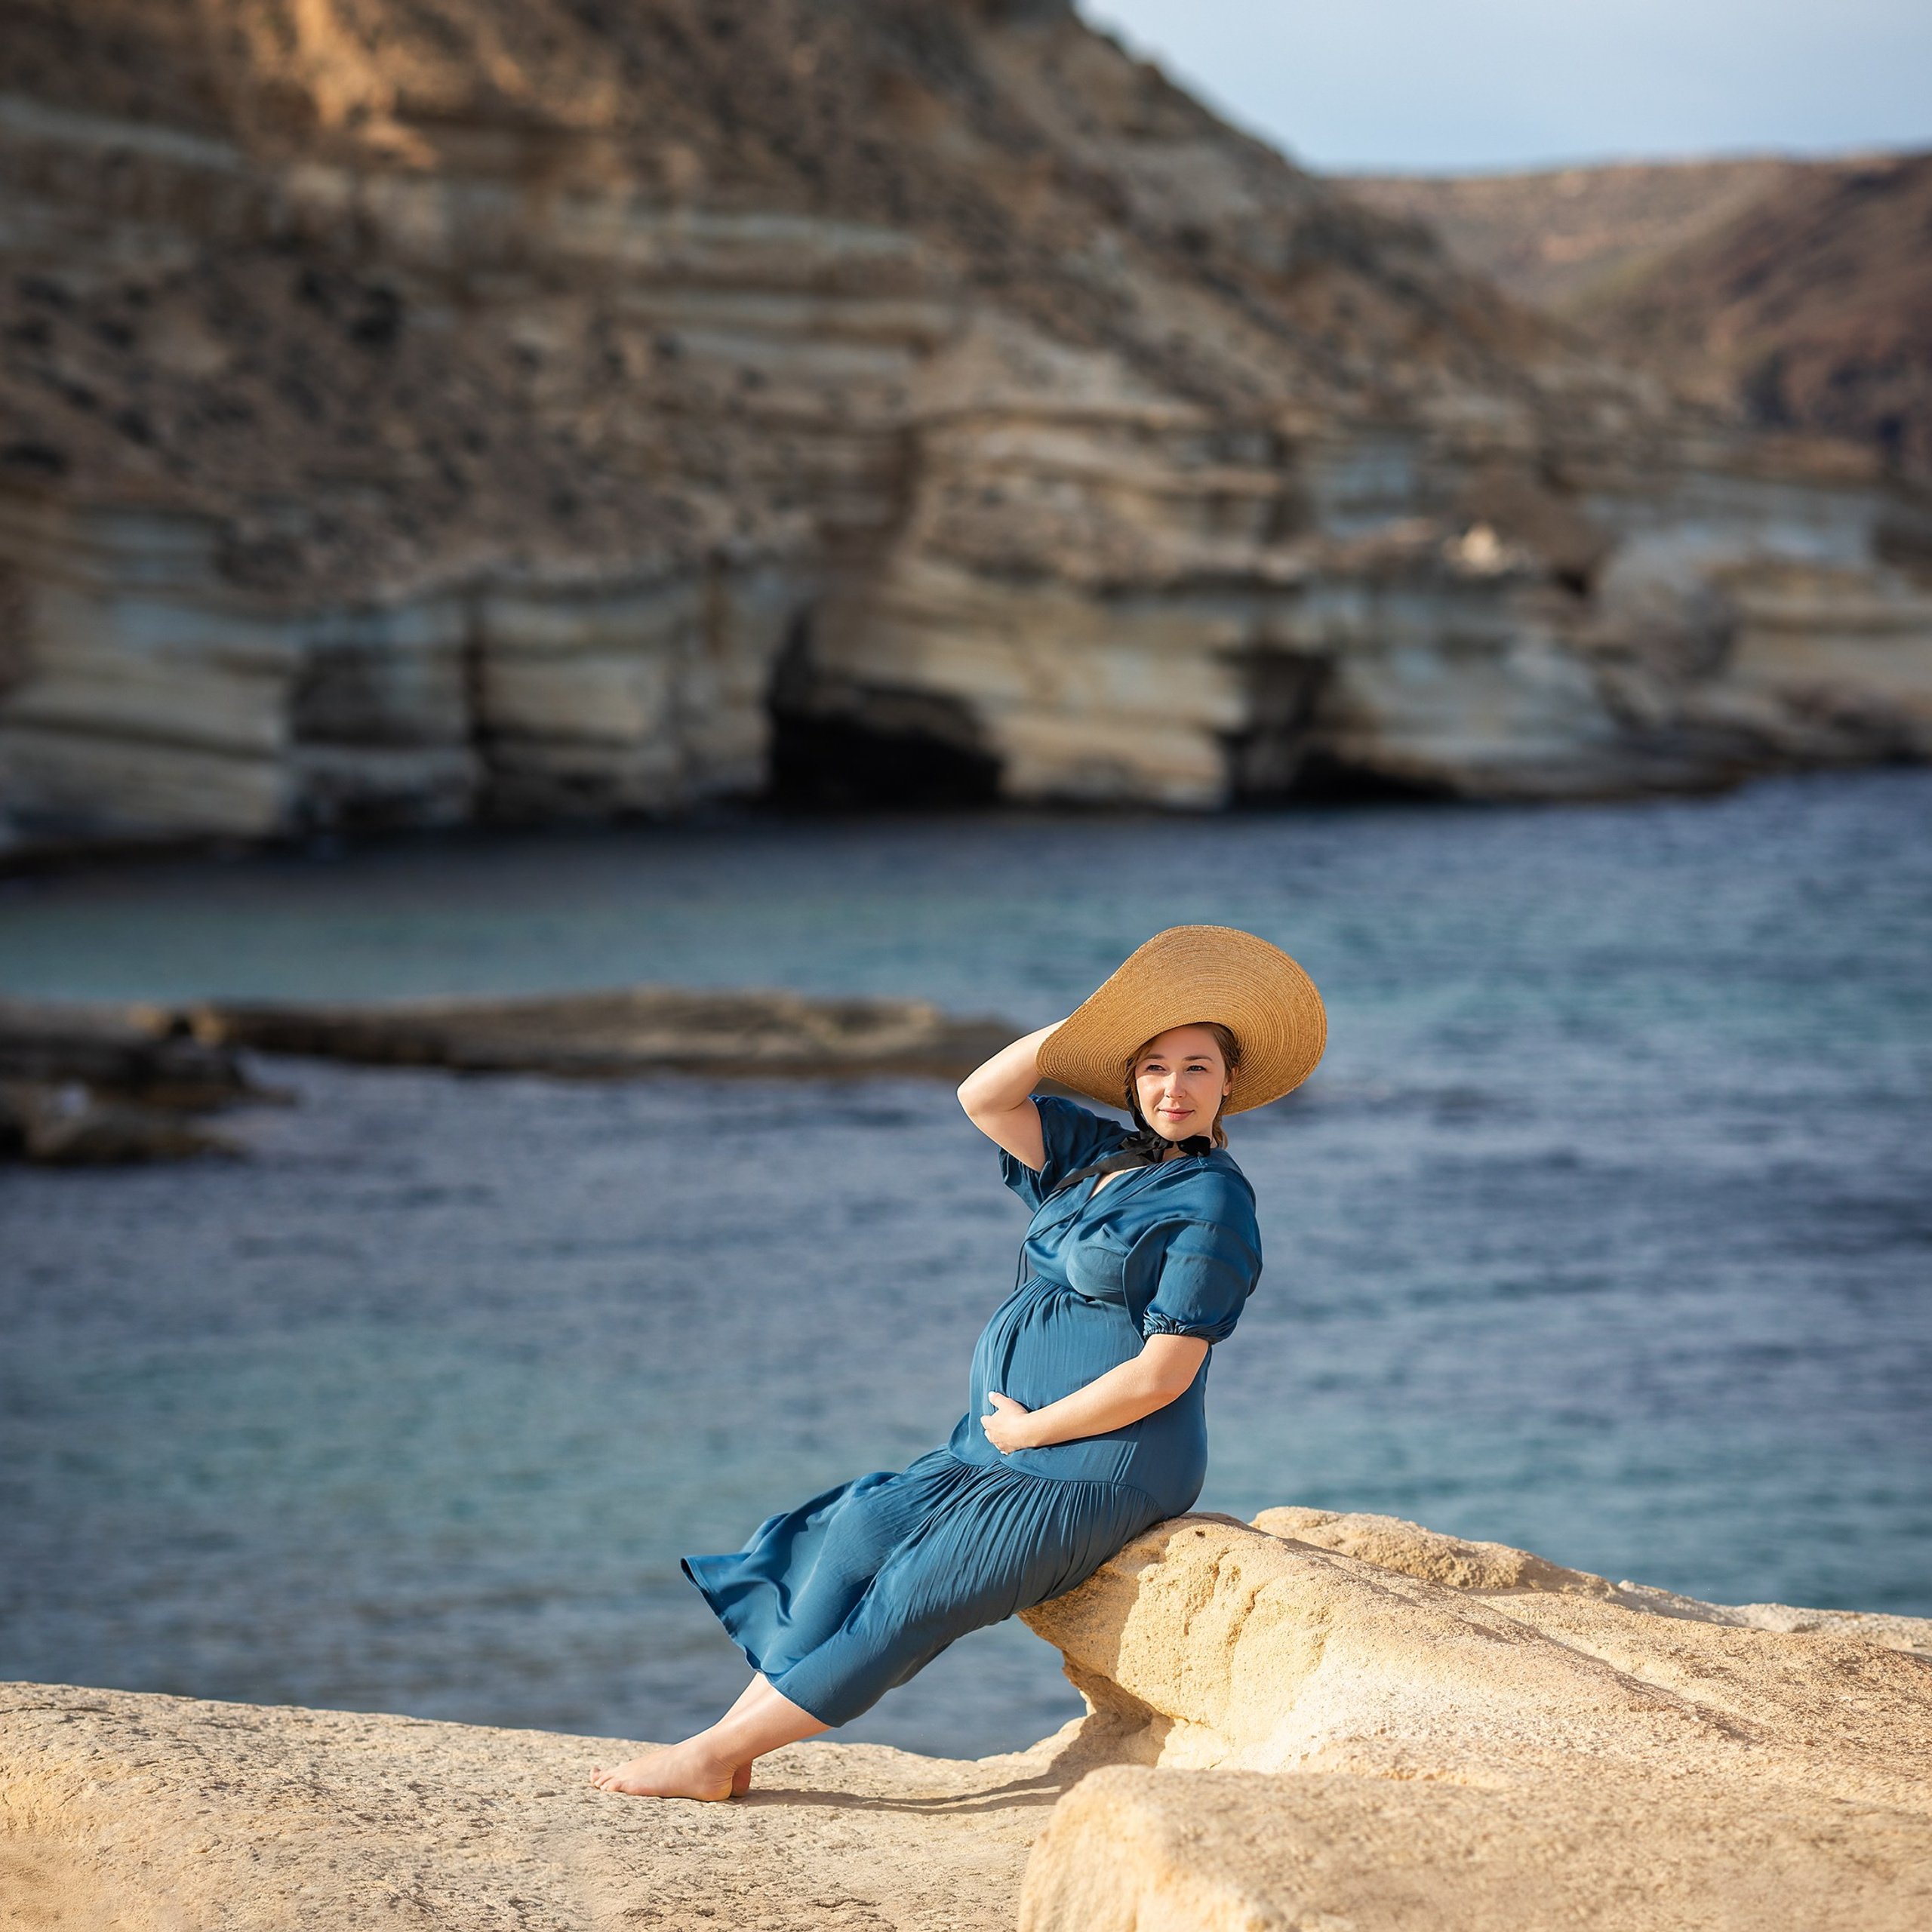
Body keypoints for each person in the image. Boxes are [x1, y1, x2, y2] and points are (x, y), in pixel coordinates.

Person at [591, 924, 1324, 1799]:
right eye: (1154, 1065)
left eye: (1197, 1067)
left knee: (913, 1594)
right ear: (1130, 1076)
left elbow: (1162, 1375)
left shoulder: (1213, 1200)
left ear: (1228, 1082)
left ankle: (709, 1759)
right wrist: (1082, 1027)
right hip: (1001, 1447)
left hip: (1100, 1461)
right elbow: (984, 1093)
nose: (1173, 1087)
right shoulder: (1099, 1157)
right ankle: (728, 1740)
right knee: (859, 1532)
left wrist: (1029, 1430)